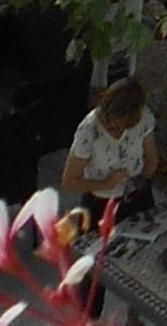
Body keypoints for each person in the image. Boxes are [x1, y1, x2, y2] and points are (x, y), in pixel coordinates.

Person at [61, 74, 161, 220]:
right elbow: (69, 183)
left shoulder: (143, 117)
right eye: (116, 126)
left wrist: (141, 180)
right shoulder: (89, 130)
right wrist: (105, 184)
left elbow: (151, 159)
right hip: (101, 206)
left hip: (137, 199)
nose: (120, 131)